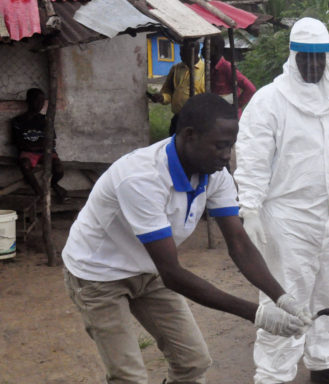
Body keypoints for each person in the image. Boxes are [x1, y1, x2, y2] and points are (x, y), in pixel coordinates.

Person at [62, 94, 311, 384]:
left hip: (147, 270)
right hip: (98, 275)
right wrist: (258, 315)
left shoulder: (214, 173)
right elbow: (173, 275)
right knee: (129, 377)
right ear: (189, 135)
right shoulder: (141, 178)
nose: (227, 155)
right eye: (220, 145)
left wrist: (282, 298)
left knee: (192, 363)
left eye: (231, 145)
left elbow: (239, 243)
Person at [234, 18, 329, 384]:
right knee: (285, 298)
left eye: (320, 59)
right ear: (294, 57)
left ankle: (326, 365)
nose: (314, 66)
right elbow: (252, 158)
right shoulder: (270, 101)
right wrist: (249, 208)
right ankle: (274, 375)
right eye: (306, 58)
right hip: (288, 220)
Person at [10, 88, 68, 202]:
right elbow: (19, 143)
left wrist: (35, 145)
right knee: (25, 164)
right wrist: (40, 145)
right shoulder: (18, 121)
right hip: (29, 153)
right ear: (29, 101)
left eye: (42, 101)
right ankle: (39, 192)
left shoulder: (46, 120)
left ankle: (54, 184)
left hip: (45, 152)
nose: (40, 104)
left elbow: (52, 142)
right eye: (37, 101)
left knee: (59, 169)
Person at [151, 40, 206, 136]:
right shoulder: (176, 68)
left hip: (197, 120)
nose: (180, 54)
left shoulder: (205, 70)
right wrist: (162, 97)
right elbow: (168, 91)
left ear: (195, 52)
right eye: (181, 51)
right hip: (178, 118)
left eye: (184, 52)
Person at [208, 35, 257, 118]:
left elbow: (250, 88)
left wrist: (235, 106)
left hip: (229, 118)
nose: (202, 50)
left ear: (215, 49)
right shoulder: (209, 68)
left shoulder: (227, 67)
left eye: (207, 47)